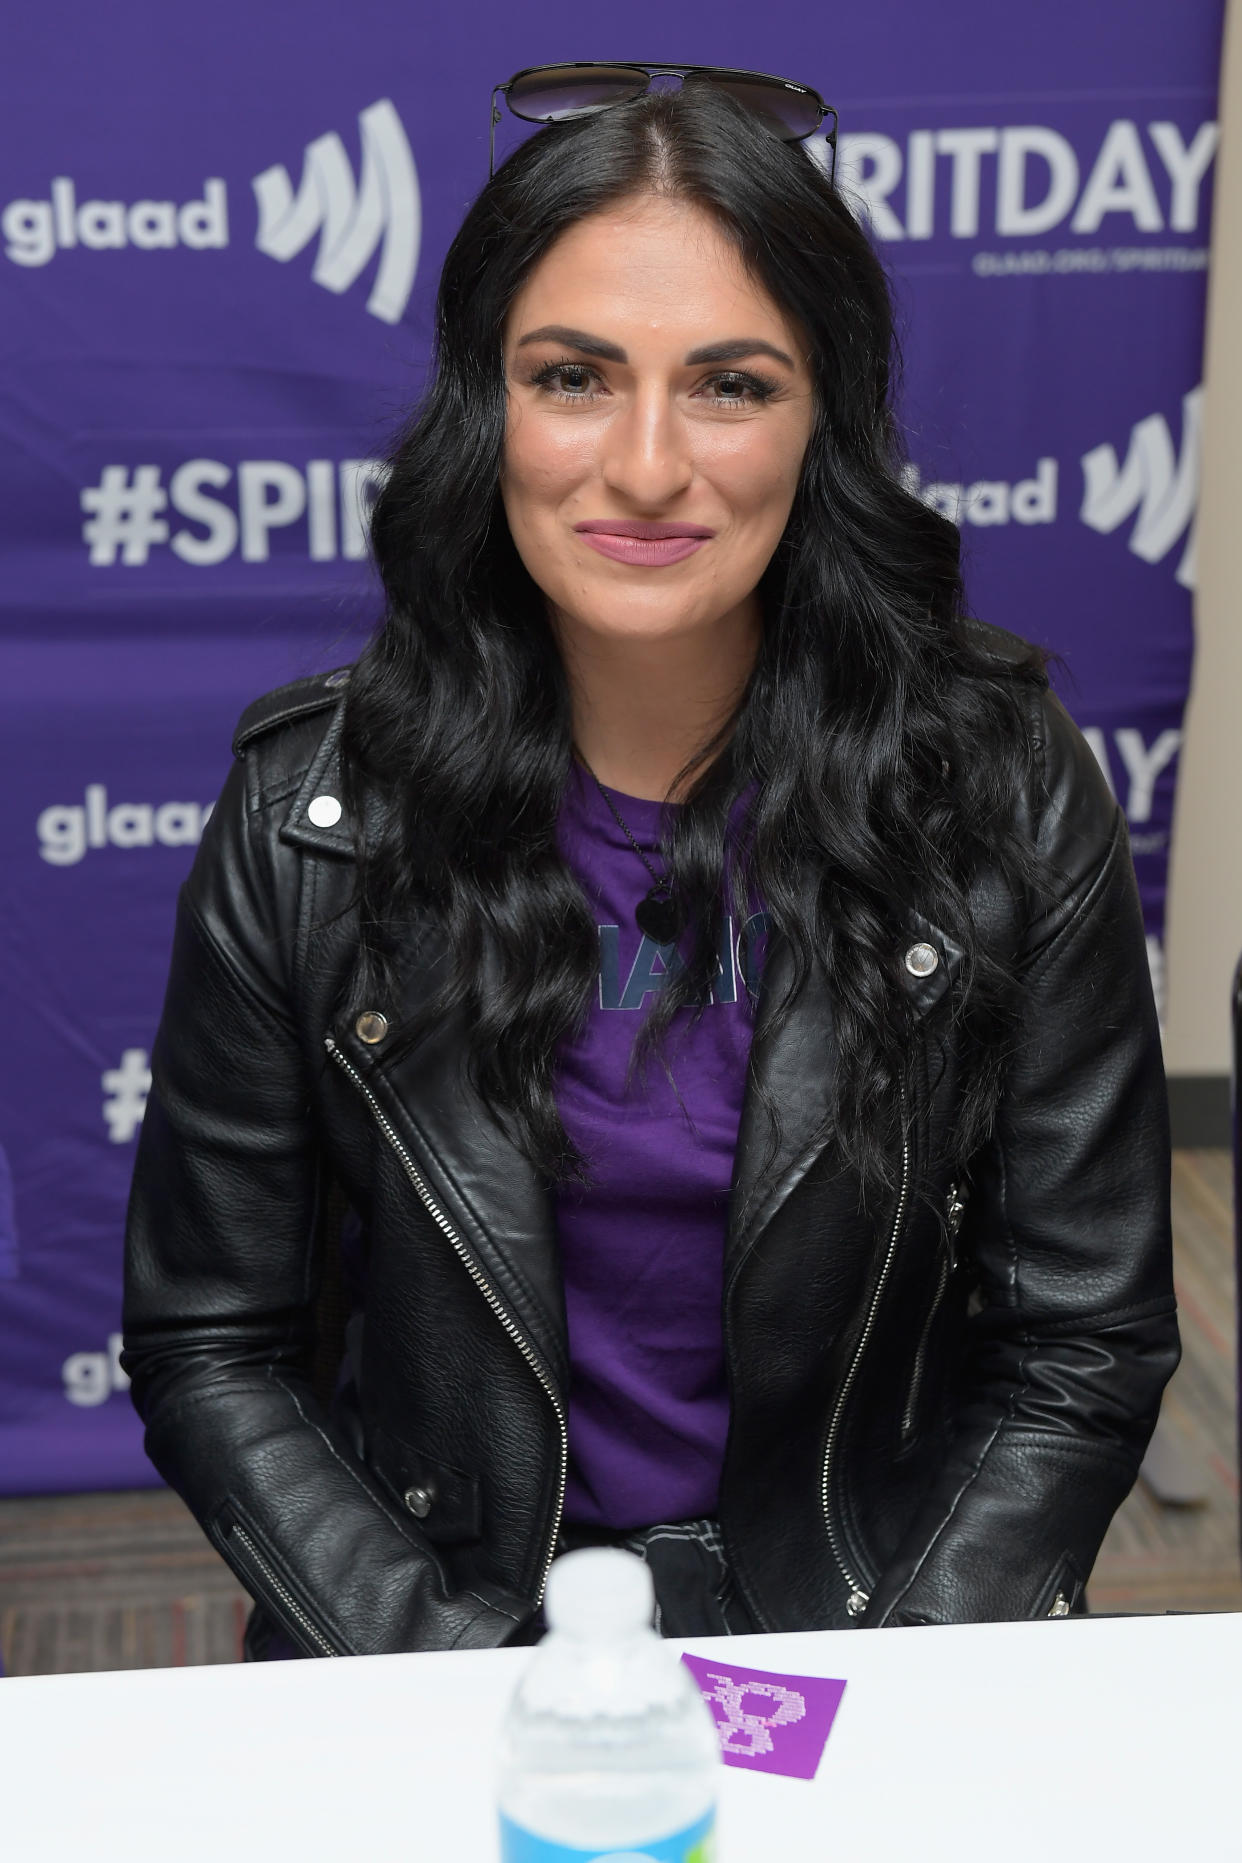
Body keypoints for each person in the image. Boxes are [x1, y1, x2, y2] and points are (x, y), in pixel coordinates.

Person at [122, 67, 1179, 1656]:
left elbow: (1079, 1345)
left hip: (866, 1624)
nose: (642, 464)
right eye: (572, 376)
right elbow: (215, 1349)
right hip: (437, 1632)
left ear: (823, 420)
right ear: (488, 405)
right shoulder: (309, 812)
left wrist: (879, 1688)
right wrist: (461, 1677)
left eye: (731, 385)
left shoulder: (996, 787)